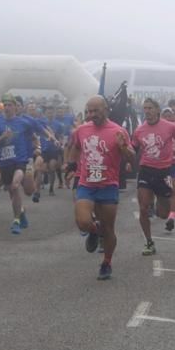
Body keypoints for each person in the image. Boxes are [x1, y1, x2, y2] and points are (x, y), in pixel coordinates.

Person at [67, 96, 134, 280]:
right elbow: (75, 147)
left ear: (106, 109)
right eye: (88, 111)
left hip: (108, 185)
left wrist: (123, 148)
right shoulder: (81, 130)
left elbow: (132, 158)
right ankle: (94, 230)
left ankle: (107, 262)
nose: (91, 115)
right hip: (87, 184)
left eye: (95, 111)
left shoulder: (118, 131)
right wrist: (72, 167)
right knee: (82, 221)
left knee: (109, 228)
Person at [132, 98, 175, 255]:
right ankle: (149, 242)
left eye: (150, 108)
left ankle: (163, 203)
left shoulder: (170, 127)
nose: (147, 111)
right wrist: (128, 160)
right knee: (143, 207)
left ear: (157, 110)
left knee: (162, 214)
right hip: (146, 171)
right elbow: (133, 148)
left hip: (164, 172)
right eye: (145, 108)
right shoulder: (139, 130)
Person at [0, 94, 44, 235]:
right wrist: (2, 138)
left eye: (10, 105)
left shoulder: (24, 123)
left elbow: (34, 137)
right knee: (13, 192)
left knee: (16, 185)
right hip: (4, 163)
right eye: (5, 105)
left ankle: (16, 221)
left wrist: (37, 148)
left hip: (20, 161)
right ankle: (21, 213)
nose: (7, 108)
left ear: (15, 107)